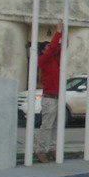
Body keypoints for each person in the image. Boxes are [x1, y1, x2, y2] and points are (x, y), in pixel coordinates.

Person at [35, 21, 63, 163]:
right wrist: (58, 32)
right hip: (49, 98)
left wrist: (63, 33)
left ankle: (52, 148)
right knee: (46, 126)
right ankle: (41, 150)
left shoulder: (55, 60)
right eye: (47, 47)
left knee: (55, 126)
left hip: (58, 97)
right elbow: (53, 48)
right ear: (43, 50)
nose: (50, 48)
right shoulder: (43, 59)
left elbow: (60, 48)